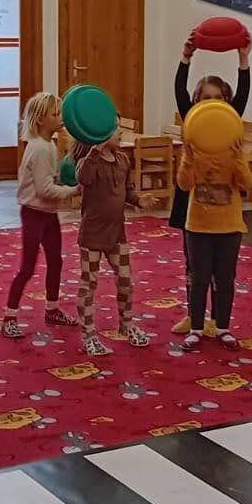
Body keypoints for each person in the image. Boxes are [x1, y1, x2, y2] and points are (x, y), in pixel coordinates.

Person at [169, 35, 251, 334]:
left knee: (221, 270)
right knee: (194, 264)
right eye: (205, 98)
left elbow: (243, 95)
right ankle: (194, 316)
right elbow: (179, 90)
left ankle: (217, 320)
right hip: (191, 201)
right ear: (196, 102)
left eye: (218, 98)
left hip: (223, 206)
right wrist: (185, 58)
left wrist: (243, 59)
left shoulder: (230, 123)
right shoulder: (192, 118)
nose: (212, 103)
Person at [3, 92, 81, 338]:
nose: (61, 118)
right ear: (40, 119)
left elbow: (49, 182)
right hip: (34, 214)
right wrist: (73, 191)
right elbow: (44, 189)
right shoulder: (40, 149)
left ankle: (52, 309)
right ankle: (9, 317)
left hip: (48, 213)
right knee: (27, 267)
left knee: (56, 261)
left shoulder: (48, 145)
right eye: (55, 114)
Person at [176, 131, 252, 351]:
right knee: (199, 278)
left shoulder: (233, 150)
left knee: (225, 278)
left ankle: (222, 328)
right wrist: (188, 157)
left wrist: (238, 157)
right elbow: (184, 184)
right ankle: (196, 329)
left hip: (229, 227)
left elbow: (247, 183)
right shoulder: (195, 149)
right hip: (198, 227)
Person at [74, 132, 150, 355]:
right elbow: (83, 178)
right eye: (116, 129)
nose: (120, 133)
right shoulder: (88, 161)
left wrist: (138, 200)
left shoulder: (123, 159)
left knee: (125, 280)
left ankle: (126, 324)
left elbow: (127, 190)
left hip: (117, 233)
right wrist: (94, 151)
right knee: (89, 284)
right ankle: (88, 334)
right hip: (92, 235)